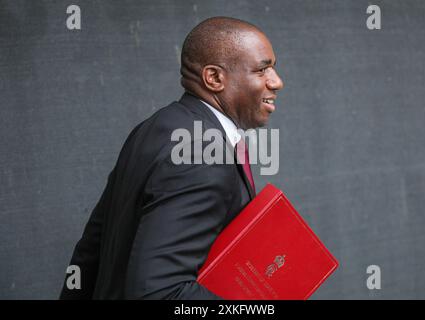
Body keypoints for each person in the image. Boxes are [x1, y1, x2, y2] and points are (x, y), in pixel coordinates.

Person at [60, 16, 283, 300]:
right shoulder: (202, 155)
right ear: (214, 78)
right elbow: (160, 293)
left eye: (274, 67)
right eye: (262, 69)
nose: (277, 82)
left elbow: (90, 253)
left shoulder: (157, 128)